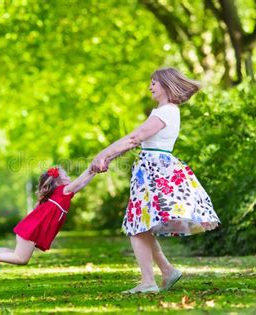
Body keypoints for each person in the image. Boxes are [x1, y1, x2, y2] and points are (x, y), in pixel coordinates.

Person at [91, 67, 221, 294]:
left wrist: (104, 155)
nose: (150, 86)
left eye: (154, 82)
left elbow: (134, 138)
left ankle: (148, 282)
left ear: (166, 85)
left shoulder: (167, 111)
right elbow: (136, 140)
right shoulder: (163, 111)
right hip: (149, 170)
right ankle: (167, 271)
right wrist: (106, 156)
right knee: (141, 225)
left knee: (137, 225)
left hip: (155, 171)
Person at [0, 166, 96, 277]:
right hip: (31, 231)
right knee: (22, 259)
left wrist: (94, 172)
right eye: (66, 176)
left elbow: (82, 184)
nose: (70, 178)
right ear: (58, 182)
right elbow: (80, 180)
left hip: (29, 229)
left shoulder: (62, 194)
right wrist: (91, 167)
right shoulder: (62, 191)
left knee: (16, 254)